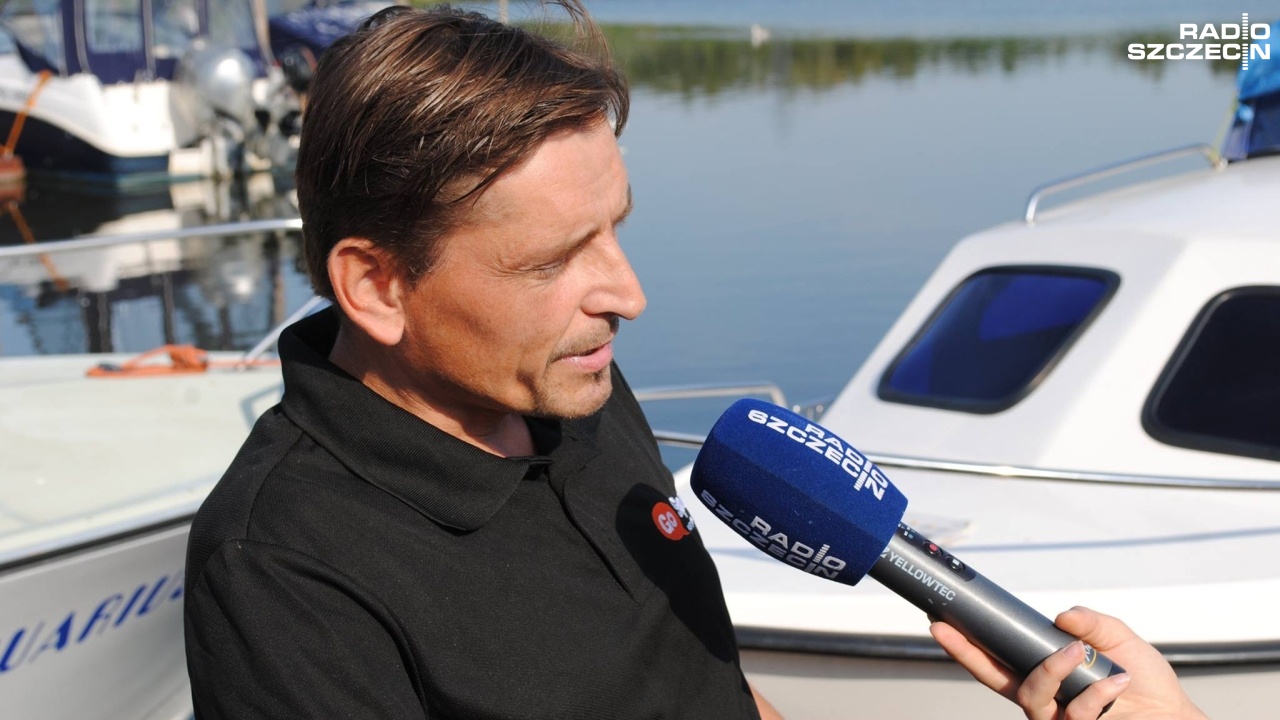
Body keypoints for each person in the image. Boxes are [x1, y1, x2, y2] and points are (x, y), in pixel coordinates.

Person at [183, 3, 1207, 719]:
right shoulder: (279, 568)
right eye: (552, 261)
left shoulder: (577, 386)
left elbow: (709, 688)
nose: (626, 296)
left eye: (615, 228)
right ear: (376, 286)